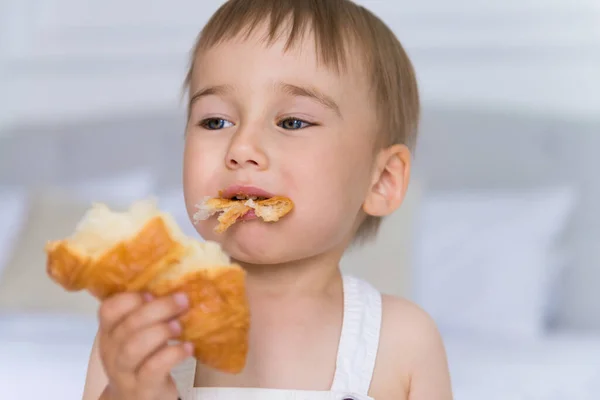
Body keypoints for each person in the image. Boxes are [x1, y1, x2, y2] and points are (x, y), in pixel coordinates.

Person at [82, 1, 453, 399]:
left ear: (380, 181)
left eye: (292, 122)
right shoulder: (146, 335)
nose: (242, 147)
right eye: (216, 121)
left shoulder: (402, 342)